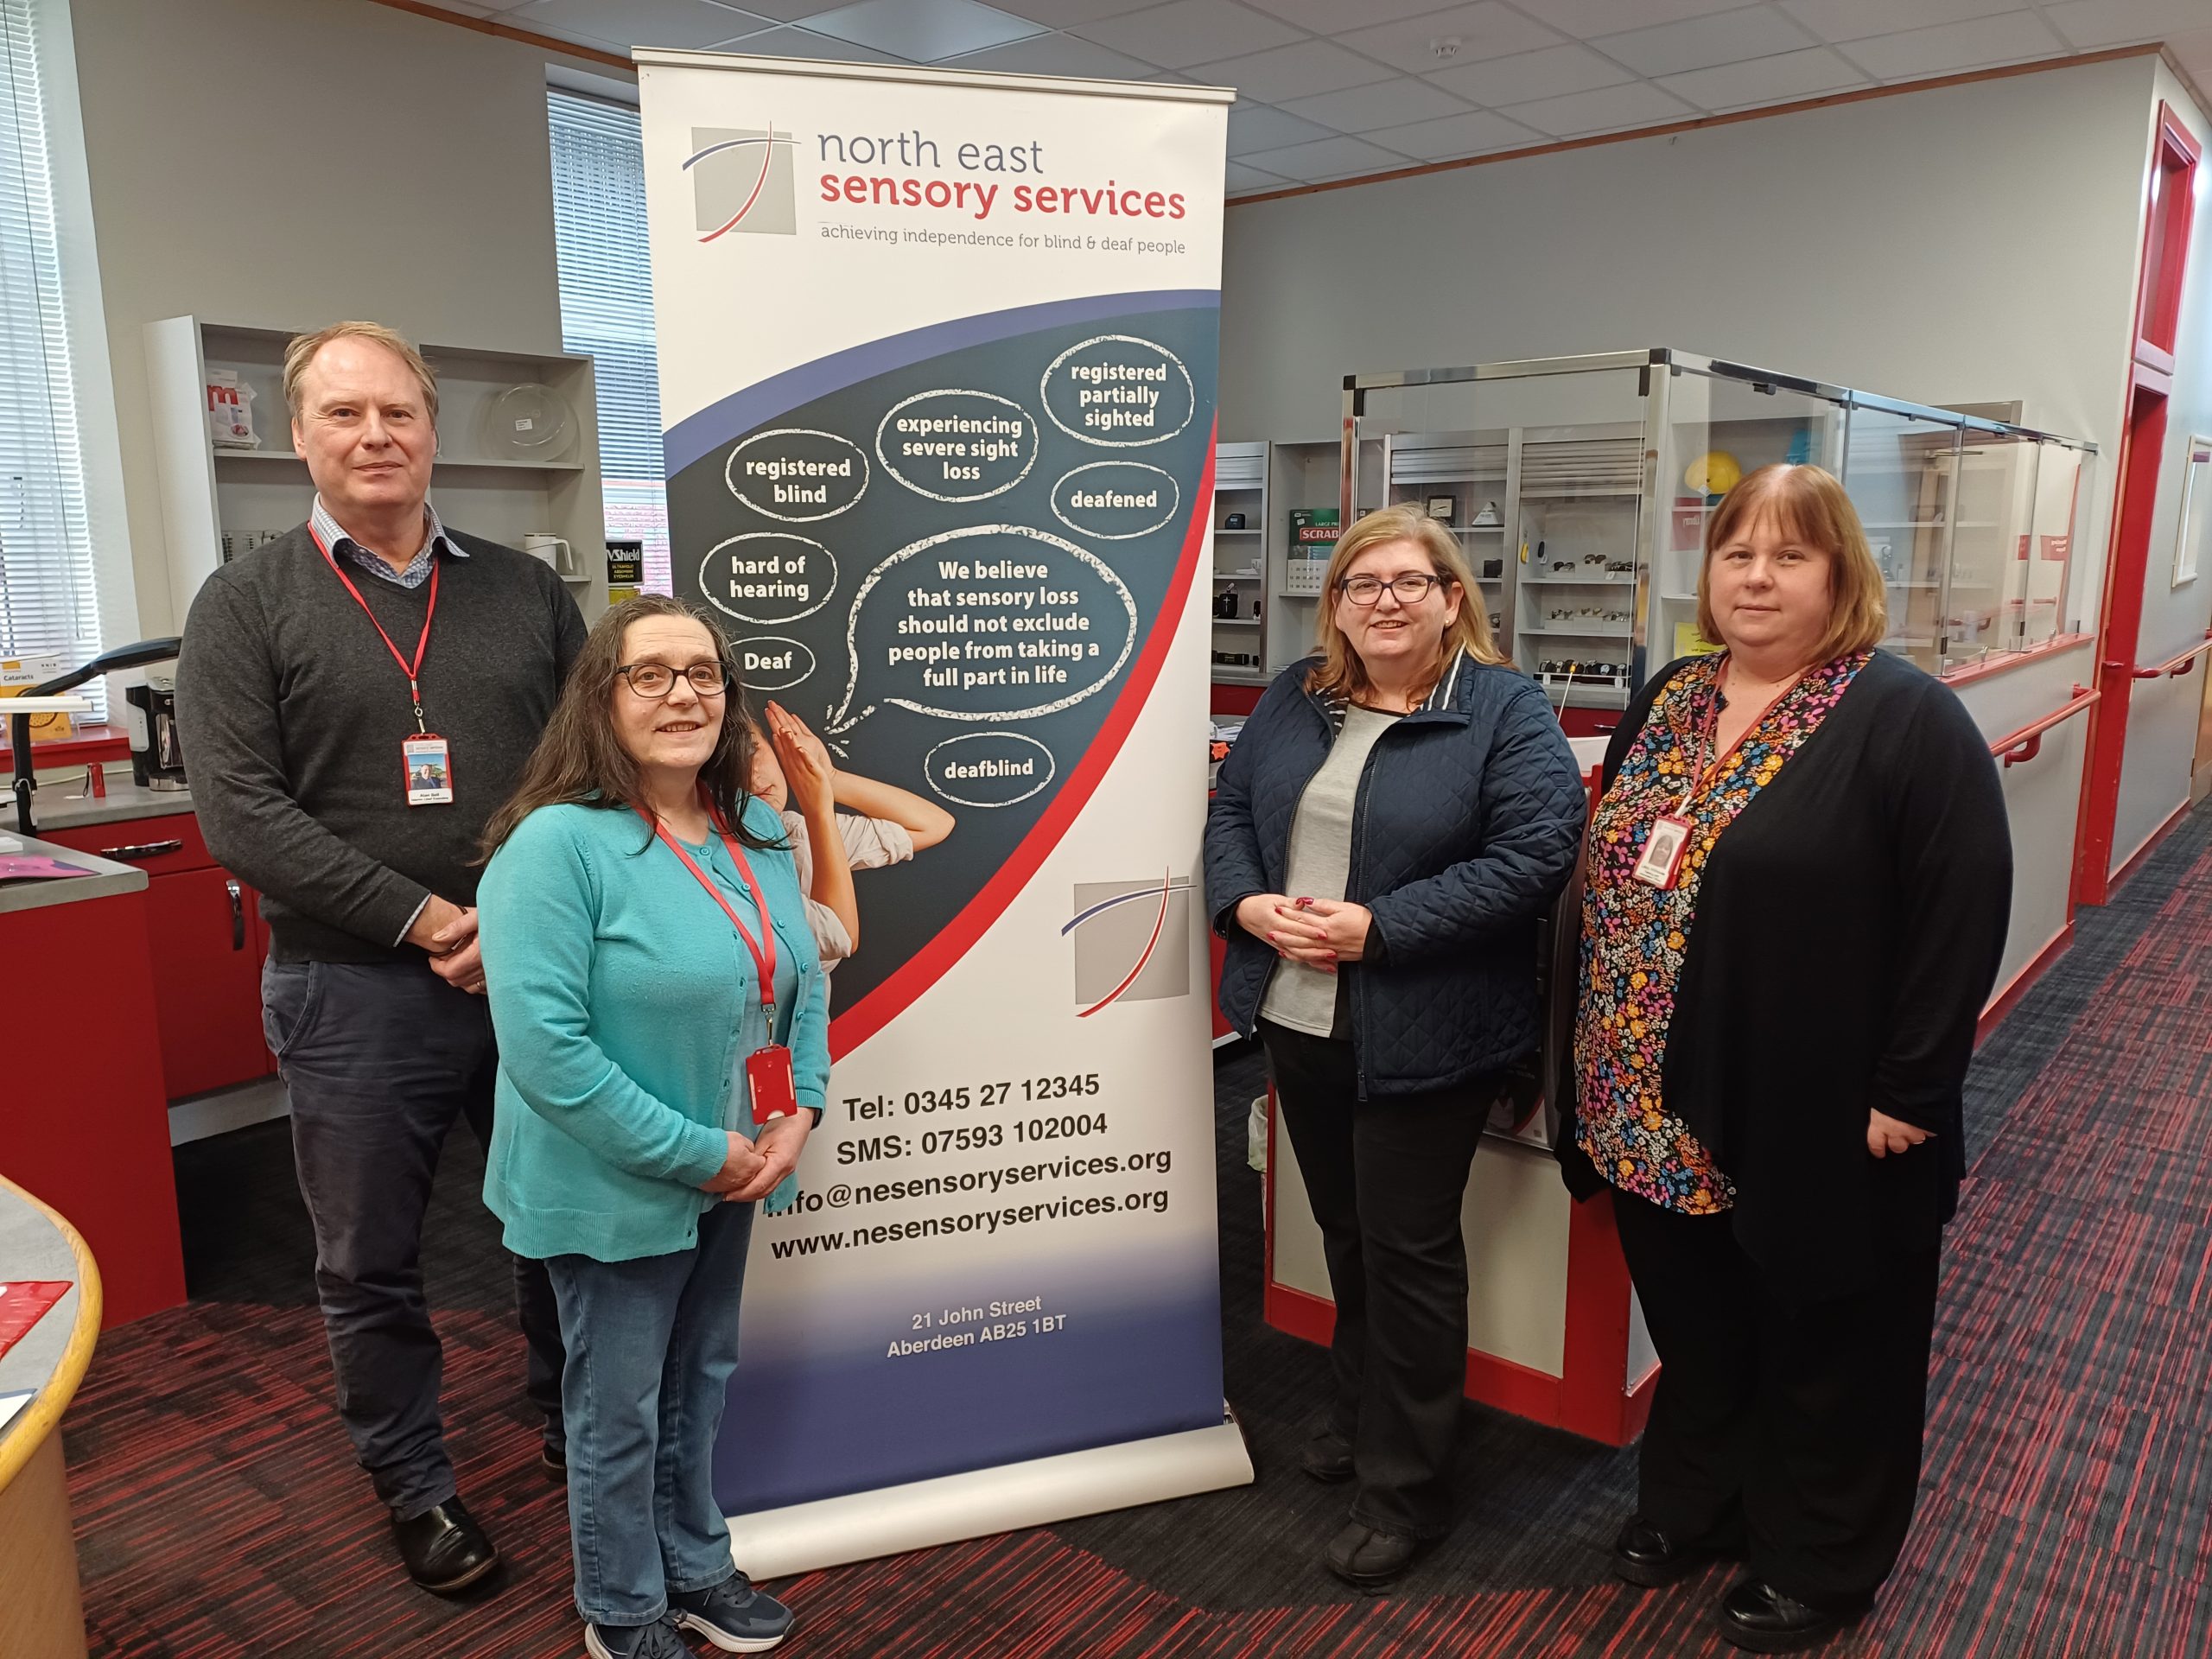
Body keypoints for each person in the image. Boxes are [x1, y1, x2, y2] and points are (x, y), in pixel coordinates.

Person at [1560, 463, 2012, 1652]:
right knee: (1701, 1323)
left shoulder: (1902, 716)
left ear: (1842, 574)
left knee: (1828, 1337)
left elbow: (1960, 906)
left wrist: (1911, 1086)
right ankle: (1699, 1503)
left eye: (1790, 556)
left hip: (1812, 1101)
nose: (1757, 578)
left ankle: (1819, 1558)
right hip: (1640, 1091)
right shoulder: (1673, 692)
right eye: (1738, 554)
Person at [177, 320, 582, 1593]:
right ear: (298, 436)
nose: (374, 436)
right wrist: (428, 922)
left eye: (397, 412)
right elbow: (241, 815)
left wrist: (515, 928)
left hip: (536, 975)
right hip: (352, 990)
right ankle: (413, 1483)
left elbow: (587, 775)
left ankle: (575, 1419)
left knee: (559, 1221)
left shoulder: (525, 590)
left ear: (432, 428)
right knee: (370, 1259)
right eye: (344, 415)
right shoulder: (245, 603)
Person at [1205, 503, 1586, 1590]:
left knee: (1409, 1250)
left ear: (1450, 597)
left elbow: (1535, 854)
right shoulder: (1296, 697)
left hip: (1426, 1026)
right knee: (1344, 1231)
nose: (1383, 601)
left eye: (1408, 582)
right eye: (1360, 584)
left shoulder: (1502, 710)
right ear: (1335, 605)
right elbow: (1230, 810)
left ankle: (1405, 1487)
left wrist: (1385, 928)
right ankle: (1366, 1412)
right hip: (1297, 1013)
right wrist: (1246, 907)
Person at [476, 594, 827, 1659]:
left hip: (743, 1159)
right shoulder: (555, 847)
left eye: (705, 674)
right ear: (603, 699)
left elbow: (799, 981)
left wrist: (796, 1112)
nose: (684, 694)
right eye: (652, 675)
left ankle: (694, 1561)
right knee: (618, 1406)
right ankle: (622, 1605)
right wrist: (701, 1154)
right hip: (616, 1178)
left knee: (701, 1378)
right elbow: (548, 1054)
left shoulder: (755, 827)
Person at [749, 698, 954, 969]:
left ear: (777, 749)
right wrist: (819, 809)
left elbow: (934, 824)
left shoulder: (795, 830)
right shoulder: (713, 860)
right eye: (724, 768)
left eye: (753, 751)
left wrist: (831, 777)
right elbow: (838, 935)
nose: (751, 775)